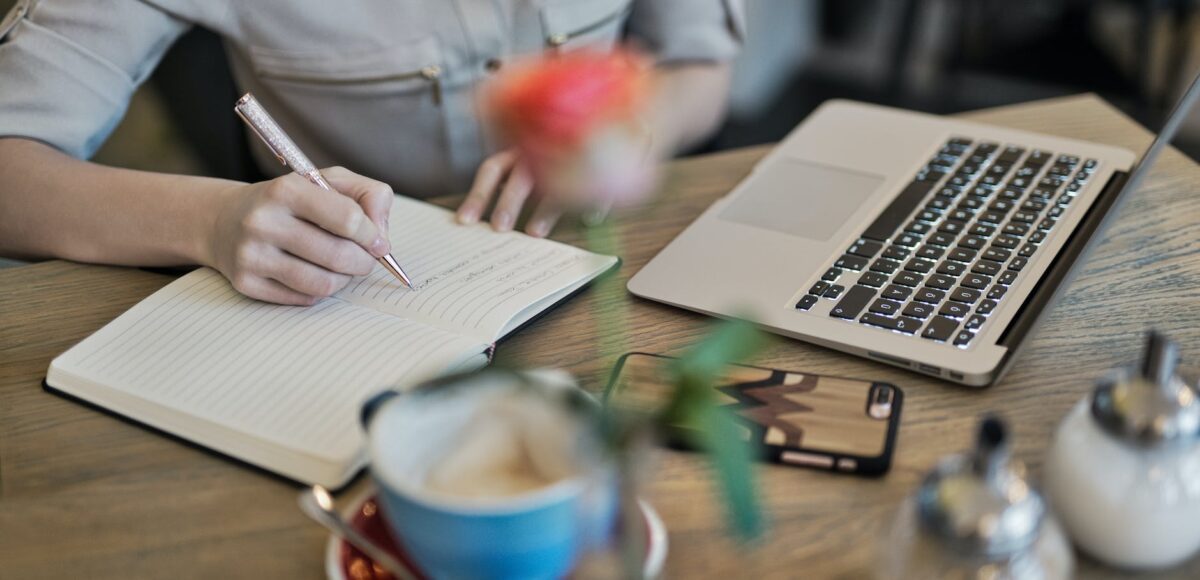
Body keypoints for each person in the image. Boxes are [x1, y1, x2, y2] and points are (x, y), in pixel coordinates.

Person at [0, 0, 744, 305]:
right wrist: (210, 219)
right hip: (344, 299)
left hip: (608, 265)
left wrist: (635, 129)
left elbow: (701, 66)